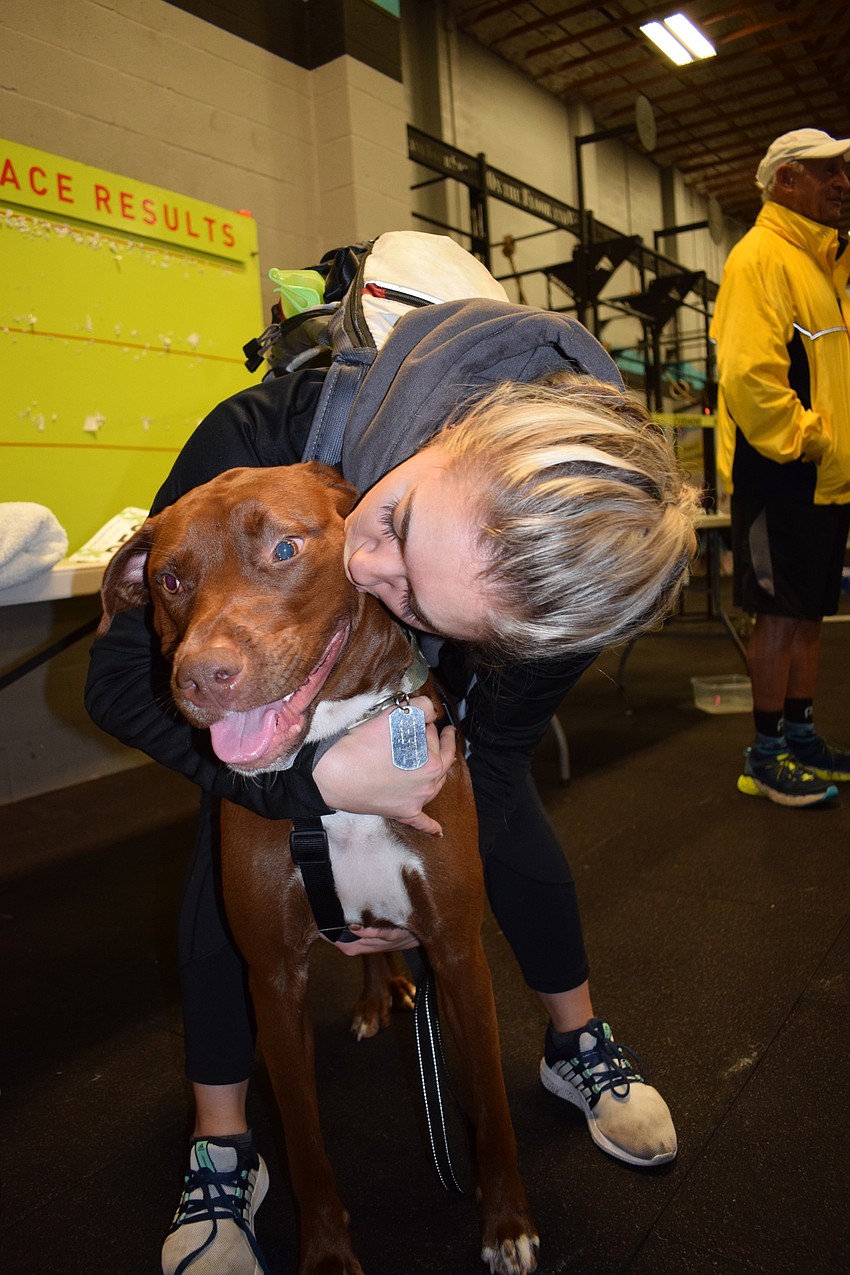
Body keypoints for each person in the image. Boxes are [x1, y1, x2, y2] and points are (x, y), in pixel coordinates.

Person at [85, 290, 699, 1275]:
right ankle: (222, 1142)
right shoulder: (266, 436)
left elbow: (492, 758)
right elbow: (114, 679)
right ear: (451, 434)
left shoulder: (566, 591)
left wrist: (427, 848)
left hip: (412, 711)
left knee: (506, 834)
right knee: (226, 843)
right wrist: (314, 786)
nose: (372, 569)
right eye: (399, 520)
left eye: (419, 596)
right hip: (267, 729)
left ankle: (573, 1040)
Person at [710, 129, 850, 808]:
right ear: (786, 180)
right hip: (780, 470)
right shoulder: (759, 257)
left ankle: (800, 736)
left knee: (809, 616)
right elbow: (748, 375)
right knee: (778, 616)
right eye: (829, 171)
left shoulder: (824, 267)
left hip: (823, 477)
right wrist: (810, 439)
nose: (844, 182)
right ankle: (764, 756)